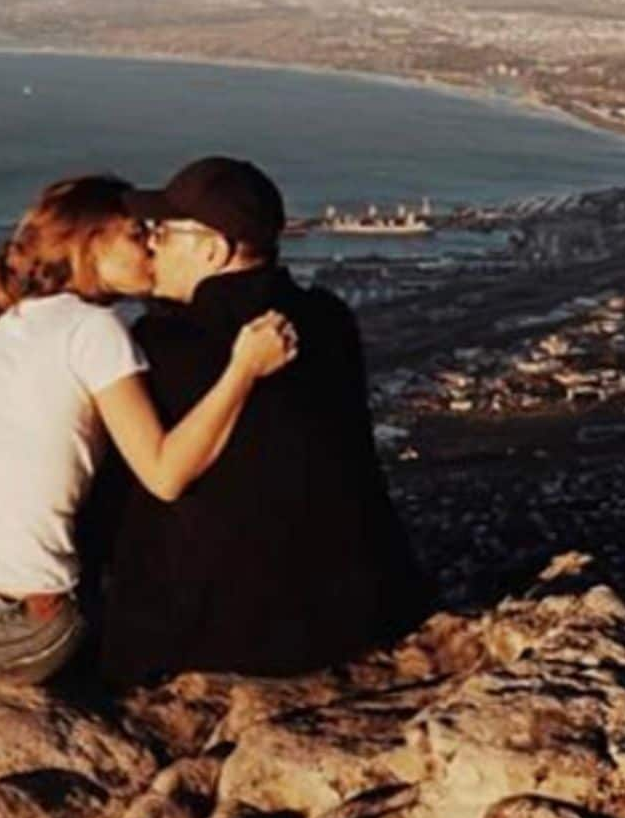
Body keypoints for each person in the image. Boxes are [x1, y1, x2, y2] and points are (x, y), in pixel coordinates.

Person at [0, 174, 299, 687]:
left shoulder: (11, 320)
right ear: (89, 243)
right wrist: (243, 370)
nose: (151, 244)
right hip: (16, 639)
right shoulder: (96, 331)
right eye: (136, 234)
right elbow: (164, 473)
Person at [91, 156, 433, 685]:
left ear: (213, 248)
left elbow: (135, 491)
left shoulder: (167, 345)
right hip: (351, 616)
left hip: (211, 638)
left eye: (163, 231)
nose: (150, 243)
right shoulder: (329, 320)